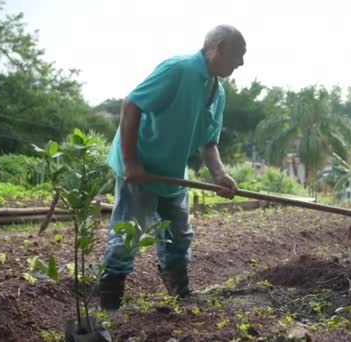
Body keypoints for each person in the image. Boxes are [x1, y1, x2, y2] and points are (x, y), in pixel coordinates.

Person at [99, 25, 246, 311]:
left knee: (179, 232)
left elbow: (209, 142)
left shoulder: (218, 91)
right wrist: (131, 163)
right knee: (128, 233)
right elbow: (131, 104)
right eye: (239, 55)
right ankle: (109, 306)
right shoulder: (179, 69)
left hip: (172, 170)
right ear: (219, 47)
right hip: (140, 166)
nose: (241, 63)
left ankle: (180, 293)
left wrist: (219, 174)